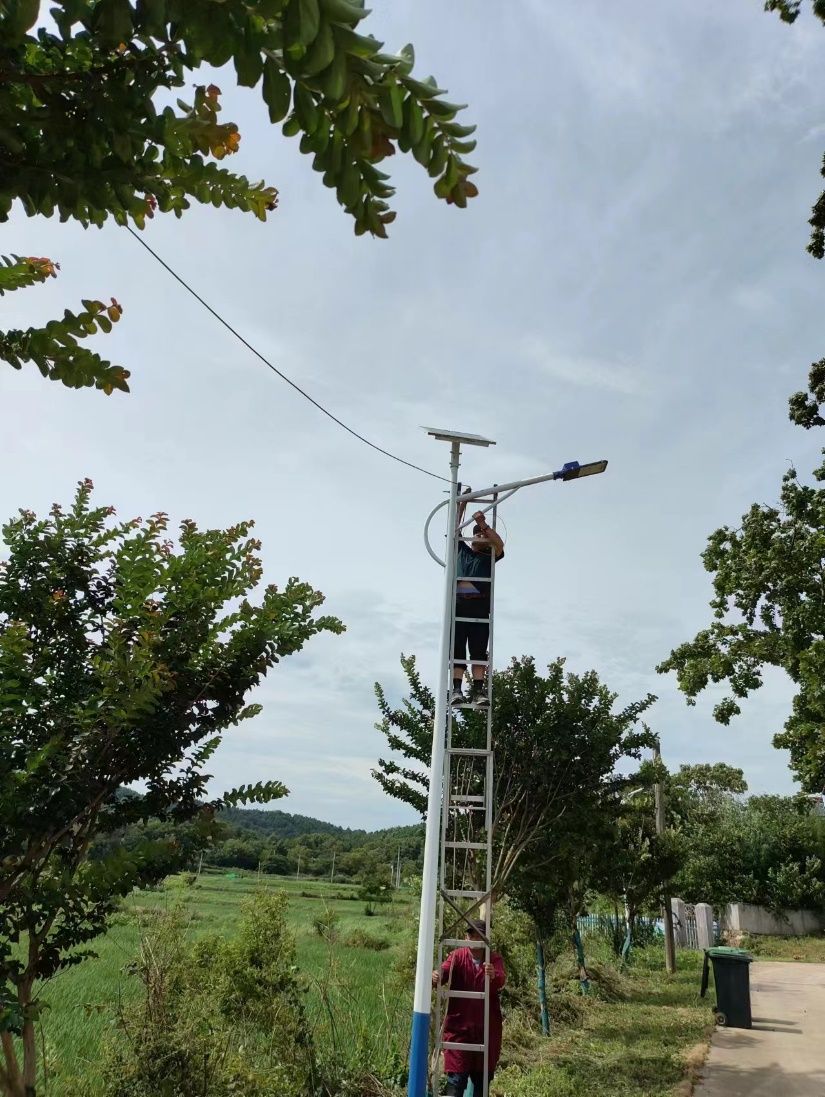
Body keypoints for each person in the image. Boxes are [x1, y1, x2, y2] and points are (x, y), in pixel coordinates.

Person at [431, 918, 506, 1096]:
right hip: (459, 1031)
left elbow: (501, 978)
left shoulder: (493, 959)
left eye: (477, 935)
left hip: (485, 1031)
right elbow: (444, 972)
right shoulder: (457, 956)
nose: (473, 939)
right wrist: (436, 976)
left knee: (482, 1083)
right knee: (456, 1081)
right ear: (466, 937)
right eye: (470, 935)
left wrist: (493, 975)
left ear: (484, 938)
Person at [453, 489, 504, 706]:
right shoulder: (462, 550)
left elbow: (499, 544)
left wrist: (483, 524)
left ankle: (478, 691)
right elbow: (453, 529)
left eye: (483, 534)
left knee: (478, 652)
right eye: (478, 534)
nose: (481, 536)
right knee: (457, 650)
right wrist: (461, 505)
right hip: (459, 608)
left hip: (481, 610)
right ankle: (456, 690)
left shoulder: (489, 556)